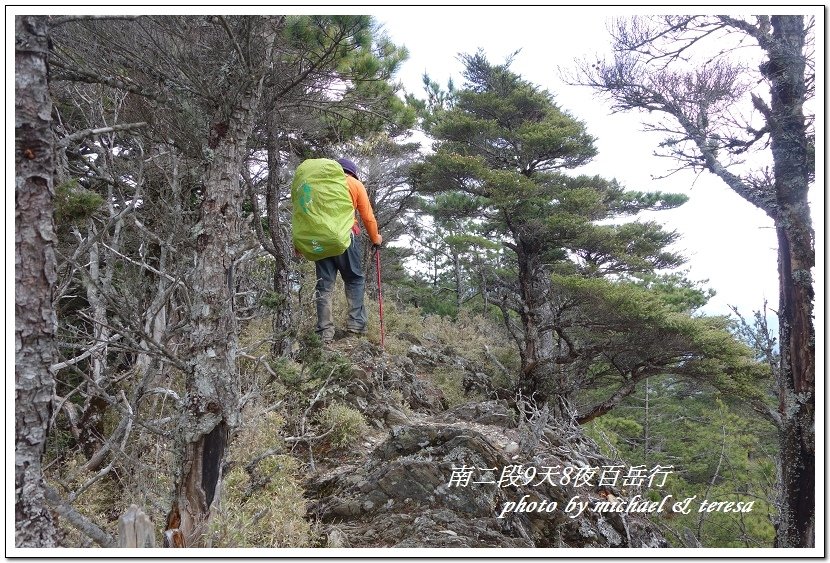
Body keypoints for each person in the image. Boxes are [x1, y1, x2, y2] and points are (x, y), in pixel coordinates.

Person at [313, 158, 382, 344]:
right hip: (346, 236)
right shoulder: (354, 184)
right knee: (354, 279)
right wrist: (375, 238)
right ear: (352, 172)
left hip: (321, 239)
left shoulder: (320, 184)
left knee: (324, 285)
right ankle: (356, 326)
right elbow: (367, 216)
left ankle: (324, 332)